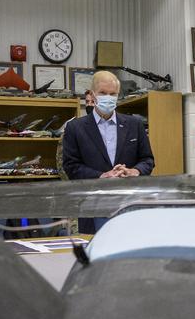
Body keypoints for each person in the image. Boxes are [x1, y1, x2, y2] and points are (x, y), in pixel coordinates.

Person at [61, 71, 155, 233]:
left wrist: (134, 171)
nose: (108, 97)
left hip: (129, 203)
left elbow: (147, 159)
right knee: (96, 251)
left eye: (113, 94)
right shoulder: (75, 128)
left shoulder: (134, 125)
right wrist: (101, 176)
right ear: (92, 95)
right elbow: (71, 166)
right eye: (103, 93)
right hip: (94, 203)